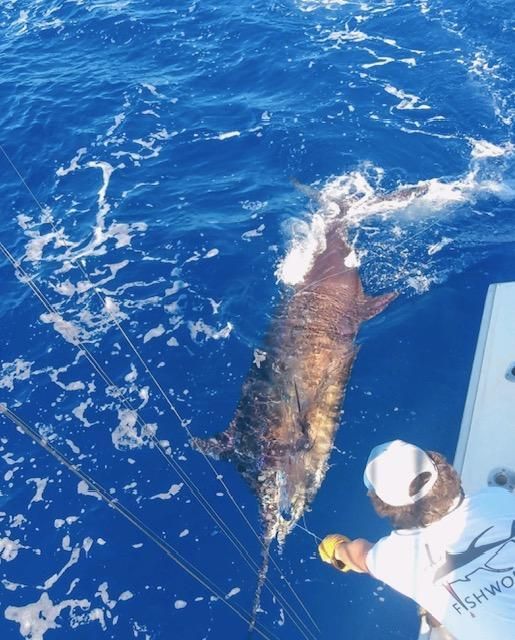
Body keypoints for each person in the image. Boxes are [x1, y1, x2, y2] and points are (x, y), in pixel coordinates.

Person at [318, 440, 515, 640]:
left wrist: (337, 548)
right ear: (438, 465)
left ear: (383, 505)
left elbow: (357, 555)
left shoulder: (395, 557)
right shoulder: (498, 498)